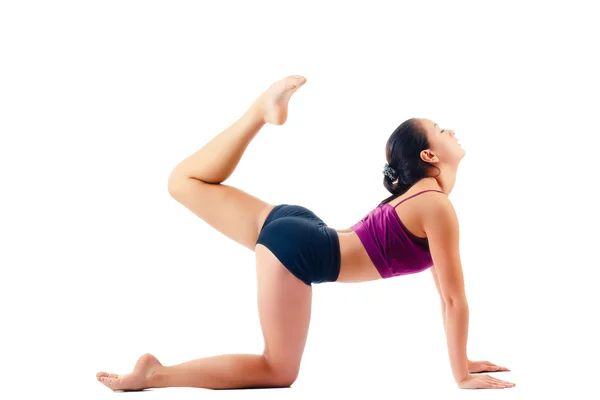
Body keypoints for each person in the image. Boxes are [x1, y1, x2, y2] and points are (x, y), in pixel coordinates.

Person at [96, 75, 515, 391]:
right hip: (302, 249)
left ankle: (260, 113)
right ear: (428, 155)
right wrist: (460, 372)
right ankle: (156, 374)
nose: (451, 131)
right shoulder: (436, 205)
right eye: (441, 130)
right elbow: (452, 297)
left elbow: (448, 297)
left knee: (182, 181)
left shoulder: (424, 201)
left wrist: (463, 359)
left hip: (302, 229)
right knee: (278, 370)